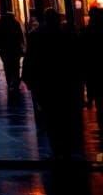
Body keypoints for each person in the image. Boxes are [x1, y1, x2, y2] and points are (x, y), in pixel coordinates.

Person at [23, 8, 84, 157]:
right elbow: (78, 58)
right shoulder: (67, 35)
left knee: (51, 115)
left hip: (46, 82)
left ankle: (56, 144)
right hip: (65, 81)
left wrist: (29, 79)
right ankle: (67, 144)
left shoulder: (36, 36)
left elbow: (30, 59)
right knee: (66, 113)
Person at [0, 11, 25, 95]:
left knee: (7, 66)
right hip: (15, 49)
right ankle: (16, 82)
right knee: (15, 66)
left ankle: (10, 81)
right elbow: (20, 35)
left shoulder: (0, 24)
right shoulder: (15, 23)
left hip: (4, 49)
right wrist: (22, 45)